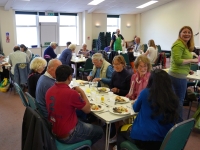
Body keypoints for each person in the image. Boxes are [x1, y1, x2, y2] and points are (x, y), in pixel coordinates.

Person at [115, 69, 179, 150]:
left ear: (151, 80)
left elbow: (135, 109)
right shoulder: (172, 96)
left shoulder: (145, 93)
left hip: (144, 138)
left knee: (121, 131)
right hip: (165, 139)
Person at [45, 65, 103, 145]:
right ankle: (84, 146)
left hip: (54, 130)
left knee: (84, 120)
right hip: (68, 135)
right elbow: (87, 110)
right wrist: (82, 92)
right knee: (100, 131)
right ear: (69, 77)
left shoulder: (49, 91)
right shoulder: (71, 93)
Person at [168, 26, 198, 121]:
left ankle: (173, 121)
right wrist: (193, 60)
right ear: (180, 33)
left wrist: (187, 69)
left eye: (189, 32)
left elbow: (178, 61)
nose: (187, 34)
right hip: (177, 77)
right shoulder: (179, 44)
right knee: (179, 101)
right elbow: (177, 61)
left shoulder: (183, 45)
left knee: (175, 101)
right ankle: (178, 124)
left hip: (177, 75)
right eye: (184, 32)